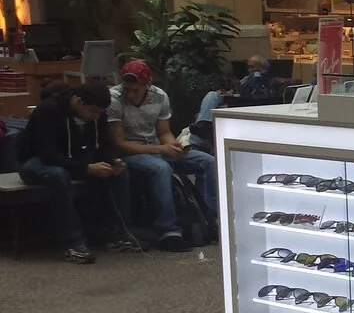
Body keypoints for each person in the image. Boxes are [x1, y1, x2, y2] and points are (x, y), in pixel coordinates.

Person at [17, 84, 139, 263]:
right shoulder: (48, 110)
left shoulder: (97, 115)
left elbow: (104, 145)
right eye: (92, 111)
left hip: (74, 159)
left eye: (100, 113)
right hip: (35, 162)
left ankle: (119, 235)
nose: (95, 116)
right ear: (77, 101)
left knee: (119, 172)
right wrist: (86, 169)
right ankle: (73, 243)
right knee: (58, 175)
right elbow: (47, 153)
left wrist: (113, 161)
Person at [109, 60, 218, 251]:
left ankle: (209, 221)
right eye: (127, 89)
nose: (130, 94)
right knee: (161, 168)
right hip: (130, 152)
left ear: (147, 85)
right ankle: (169, 231)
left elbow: (164, 132)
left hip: (155, 146)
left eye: (135, 90)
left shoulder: (159, 96)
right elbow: (120, 143)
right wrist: (160, 149)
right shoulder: (114, 99)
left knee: (207, 161)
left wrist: (174, 146)